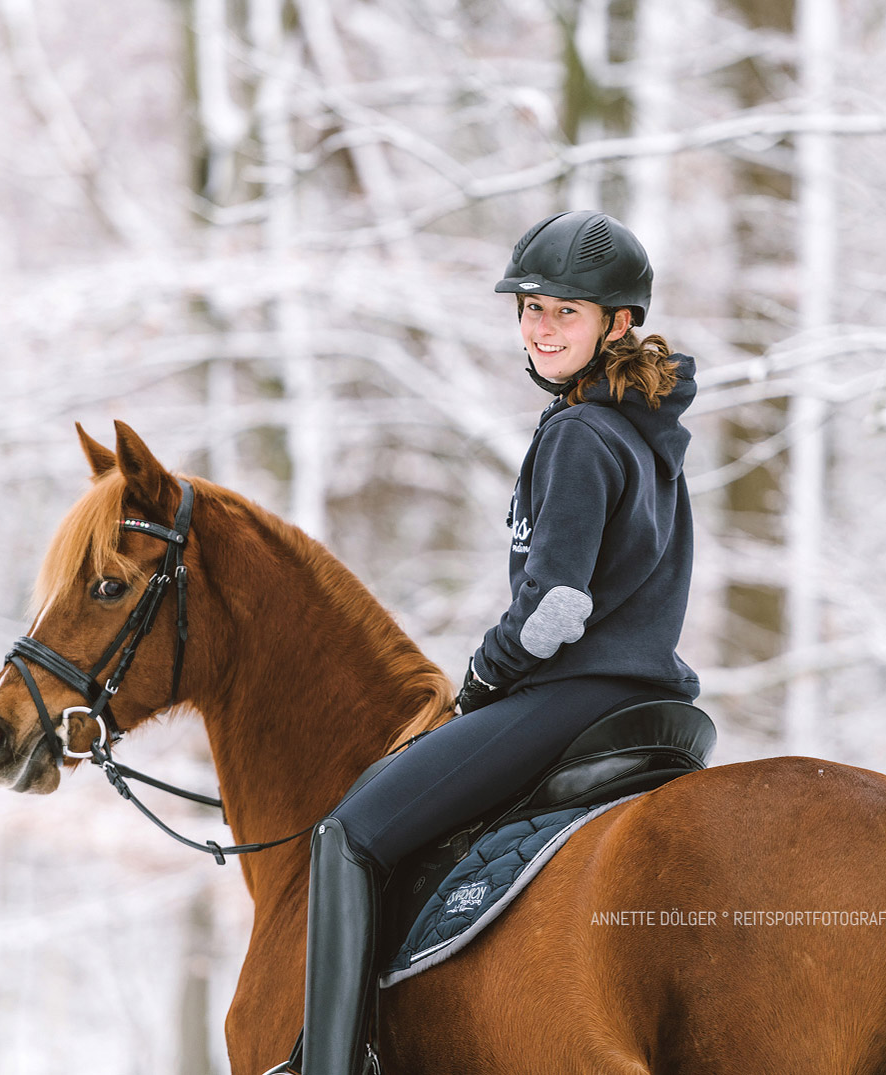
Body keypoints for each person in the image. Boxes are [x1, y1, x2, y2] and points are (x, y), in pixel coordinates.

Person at [300, 210, 701, 1075]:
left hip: (572, 695)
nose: (543, 327)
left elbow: (556, 606)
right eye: (532, 308)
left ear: (616, 323)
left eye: (567, 312)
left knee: (347, 833)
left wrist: (486, 670)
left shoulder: (577, 434)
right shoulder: (646, 431)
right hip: (647, 700)